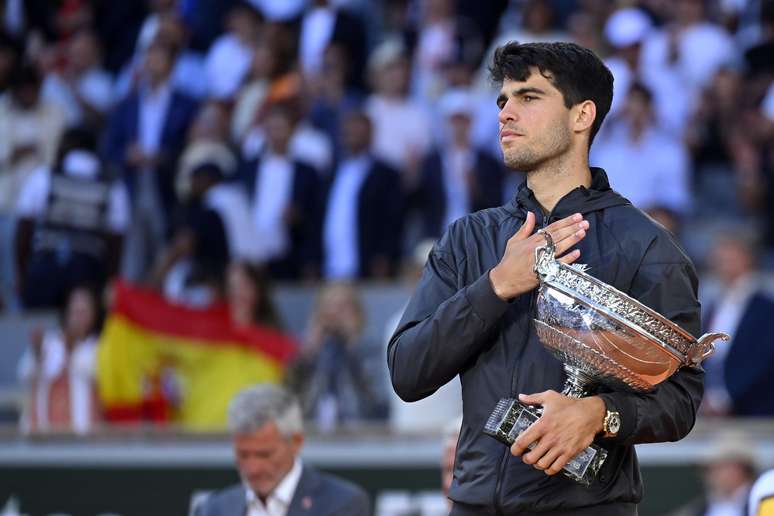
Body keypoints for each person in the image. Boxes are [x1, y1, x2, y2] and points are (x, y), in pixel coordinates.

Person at [388, 41, 705, 515]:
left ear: (582, 116)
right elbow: (408, 372)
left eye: (528, 97)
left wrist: (600, 413)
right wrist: (495, 286)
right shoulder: (469, 238)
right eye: (503, 100)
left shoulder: (647, 247)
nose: (505, 113)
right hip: (474, 502)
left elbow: (681, 398)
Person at [194, 383, 371, 516]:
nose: (253, 468)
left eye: (264, 454)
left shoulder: (343, 504)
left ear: (296, 442)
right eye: (243, 455)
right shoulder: (212, 509)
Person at [17, 285, 103, 434]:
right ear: (67, 313)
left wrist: (71, 351)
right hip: (42, 435)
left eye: (83, 312)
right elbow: (23, 373)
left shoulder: (99, 347)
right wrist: (37, 355)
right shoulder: (48, 342)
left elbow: (96, 373)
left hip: (83, 437)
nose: (78, 317)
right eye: (75, 311)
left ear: (93, 315)